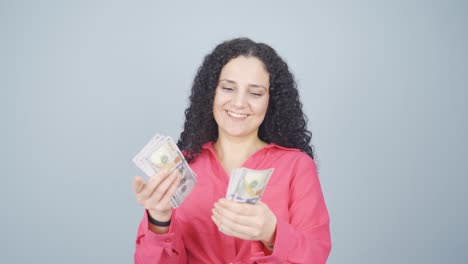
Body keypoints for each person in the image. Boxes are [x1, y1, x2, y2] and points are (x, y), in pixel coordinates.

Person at [132, 38, 331, 263]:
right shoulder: (181, 168)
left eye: (255, 93)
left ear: (271, 101)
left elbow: (315, 254)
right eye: (228, 88)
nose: (239, 103)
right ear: (211, 93)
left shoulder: (297, 166)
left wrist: (272, 232)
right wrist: (159, 220)